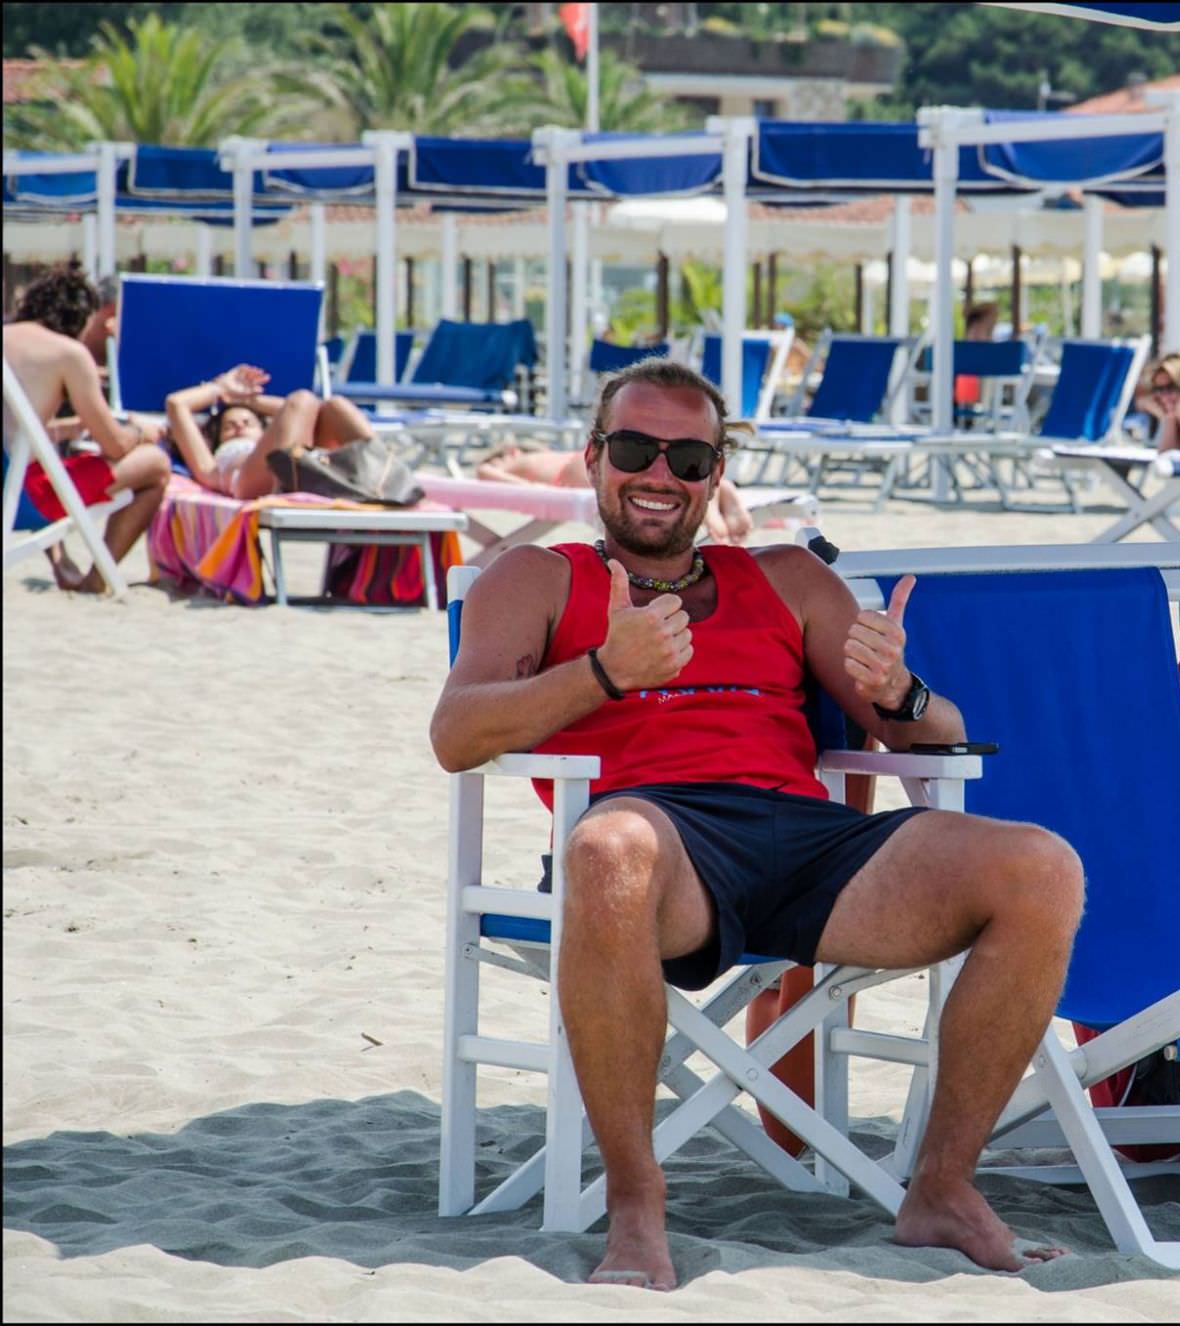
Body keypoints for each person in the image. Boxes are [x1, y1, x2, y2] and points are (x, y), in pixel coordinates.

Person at [429, 356, 1085, 1292]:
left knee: (1041, 867)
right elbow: (456, 736)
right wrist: (605, 674)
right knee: (606, 849)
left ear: (715, 477)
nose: (661, 474)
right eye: (635, 448)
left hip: (808, 842)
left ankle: (941, 1187)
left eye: (689, 458)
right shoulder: (536, 577)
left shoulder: (784, 578)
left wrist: (903, 689)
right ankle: (637, 1208)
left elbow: (937, 736)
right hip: (656, 845)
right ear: (591, 457)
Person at [2, 265, 171, 594]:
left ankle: (61, 560)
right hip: (22, 499)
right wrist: (140, 432)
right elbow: (115, 446)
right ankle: (95, 582)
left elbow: (17, 434)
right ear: (80, 316)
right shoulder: (66, 353)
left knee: (51, 463)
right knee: (156, 465)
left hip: (11, 477)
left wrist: (66, 429)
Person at [162, 366, 375, 500]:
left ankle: (384, 474)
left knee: (335, 406)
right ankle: (288, 482)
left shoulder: (273, 439)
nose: (239, 427)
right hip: (250, 480)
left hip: (295, 462)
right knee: (303, 398)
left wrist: (246, 400)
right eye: (228, 427)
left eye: (248, 422)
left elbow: (308, 412)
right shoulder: (211, 467)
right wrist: (221, 388)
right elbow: (176, 403)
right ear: (217, 441)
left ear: (265, 432)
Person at [475, 444, 757, 545]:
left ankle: (713, 499)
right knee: (678, 477)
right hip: (573, 465)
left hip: (568, 474)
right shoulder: (544, 455)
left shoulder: (518, 460)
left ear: (510, 452)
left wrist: (535, 490)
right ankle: (719, 488)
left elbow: (486, 473)